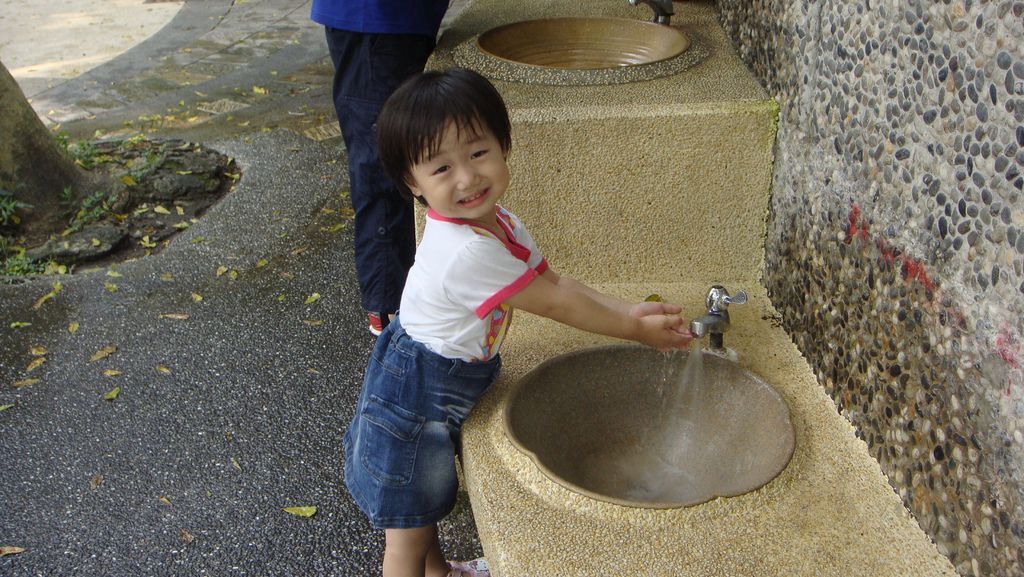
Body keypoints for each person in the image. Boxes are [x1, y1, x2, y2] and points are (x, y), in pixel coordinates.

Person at [343, 68, 694, 577]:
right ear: (411, 183)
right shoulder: (463, 253)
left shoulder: (501, 223)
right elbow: (554, 306)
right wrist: (634, 331)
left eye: (478, 152)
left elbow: (558, 285)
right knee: (406, 533)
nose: (467, 177)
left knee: (423, 508)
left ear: (503, 145)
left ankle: (439, 572)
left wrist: (630, 312)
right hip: (414, 390)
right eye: (441, 169)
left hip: (429, 374)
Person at [310, 0, 450, 335]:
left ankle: (394, 301)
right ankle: (388, 310)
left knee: (391, 151)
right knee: (383, 164)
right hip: (379, 19)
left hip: (391, 21)